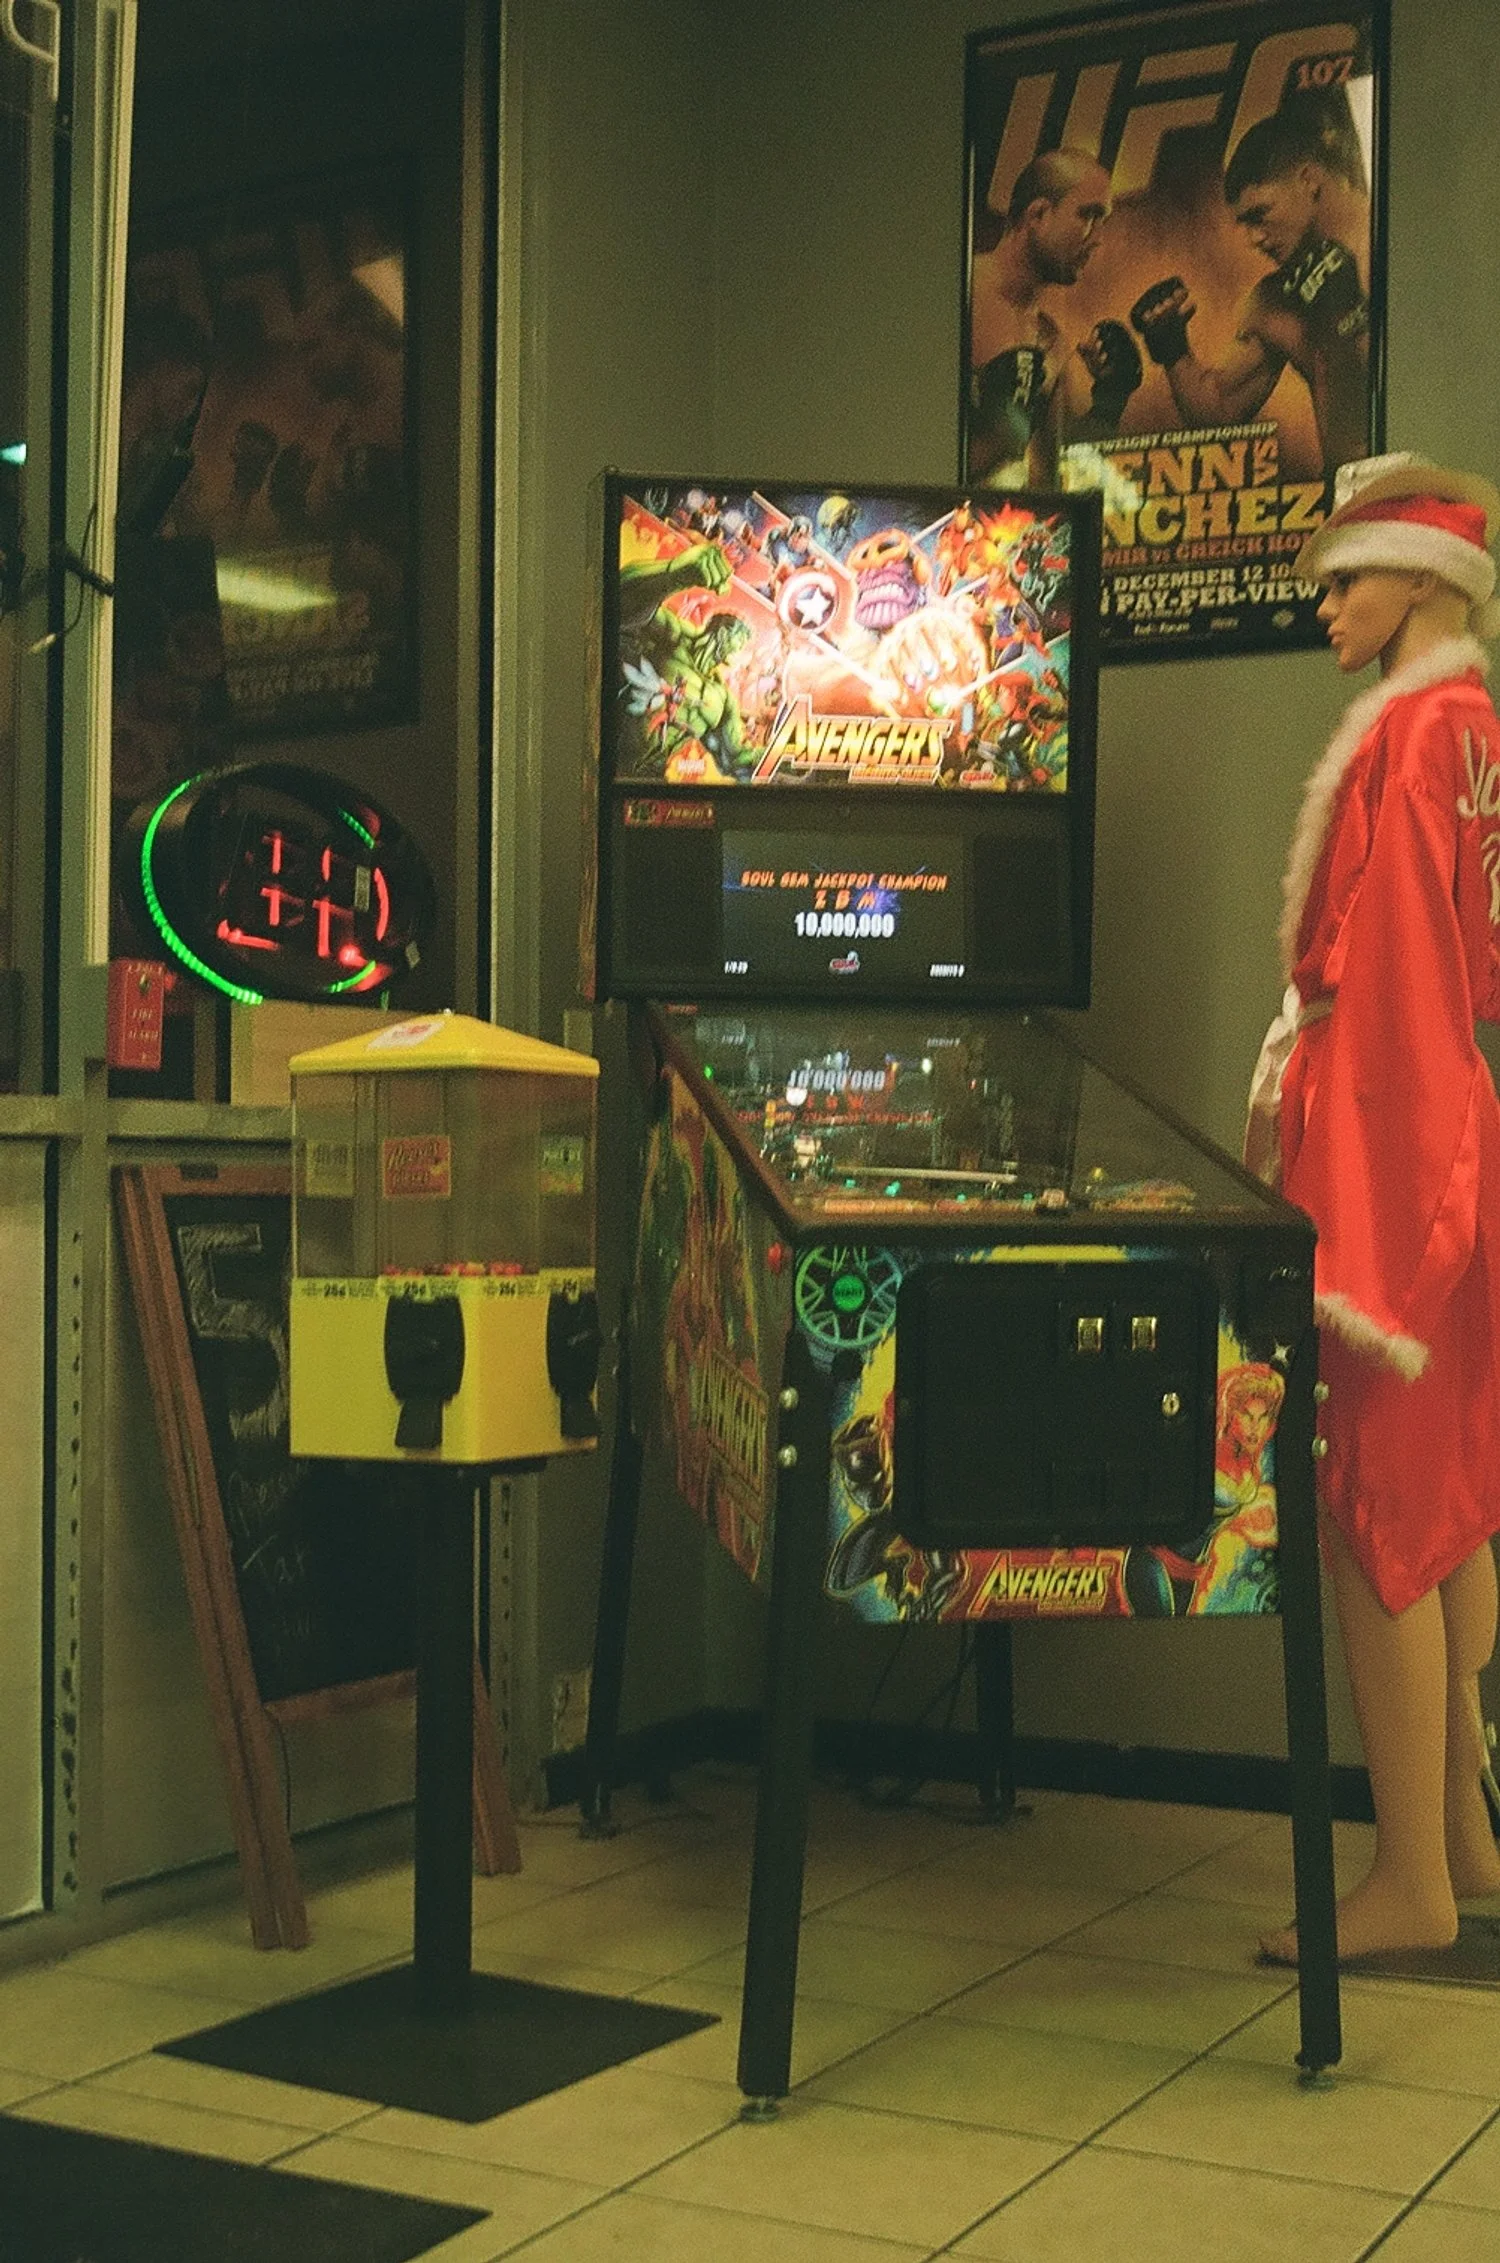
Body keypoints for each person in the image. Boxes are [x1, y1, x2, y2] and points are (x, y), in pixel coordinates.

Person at [1244, 453, 1500, 1962]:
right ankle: (1461, 1833)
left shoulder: (1411, 739)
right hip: (1454, 1129)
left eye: (1347, 577)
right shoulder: (1473, 731)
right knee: (1450, 1501)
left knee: (1380, 1508)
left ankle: (1411, 1874)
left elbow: (1396, 988)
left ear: (1419, 576)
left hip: (1394, 1152)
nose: (1327, 605)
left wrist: (1363, 1227)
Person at [1130, 97, 1370, 473]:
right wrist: (1173, 347)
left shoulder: (1387, 250)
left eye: (1260, 214)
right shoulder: (1273, 301)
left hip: (1426, 485)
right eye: (1244, 223)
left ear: (1308, 180)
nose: (1254, 239)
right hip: (1349, 499)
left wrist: (1347, 327)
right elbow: (1218, 411)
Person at [967, 147, 1141, 487]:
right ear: (1038, 214)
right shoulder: (960, 293)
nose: (1097, 239)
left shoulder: (1051, 342)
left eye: (1102, 221)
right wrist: (997, 436)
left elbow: (1046, 483)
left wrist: (1109, 401)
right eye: (1088, 216)